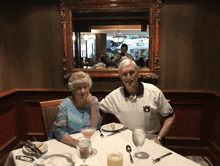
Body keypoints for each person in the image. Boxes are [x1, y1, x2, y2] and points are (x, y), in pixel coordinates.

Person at [99, 59, 175, 145]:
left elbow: (170, 117)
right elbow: (97, 109)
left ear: (138, 73)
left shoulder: (153, 92)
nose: (128, 77)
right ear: (120, 76)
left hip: (151, 140)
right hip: (127, 140)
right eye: (124, 74)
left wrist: (159, 138)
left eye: (131, 73)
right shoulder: (114, 96)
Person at [48, 71, 102, 148]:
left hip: (89, 140)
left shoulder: (94, 100)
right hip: (70, 142)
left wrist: (93, 104)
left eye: (85, 87)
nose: (83, 91)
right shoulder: (65, 105)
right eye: (79, 88)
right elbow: (59, 132)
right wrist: (76, 143)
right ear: (72, 90)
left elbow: (95, 127)